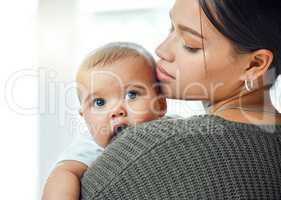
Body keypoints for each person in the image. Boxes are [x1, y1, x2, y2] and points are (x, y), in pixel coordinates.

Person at [79, 0, 281, 199]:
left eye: (189, 44)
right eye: (171, 28)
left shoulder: (149, 146)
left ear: (254, 64)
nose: (161, 50)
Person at [42, 42, 167, 200]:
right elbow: (64, 172)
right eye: (99, 102)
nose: (116, 111)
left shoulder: (172, 130)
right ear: (84, 117)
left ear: (161, 104)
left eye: (132, 94)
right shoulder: (90, 145)